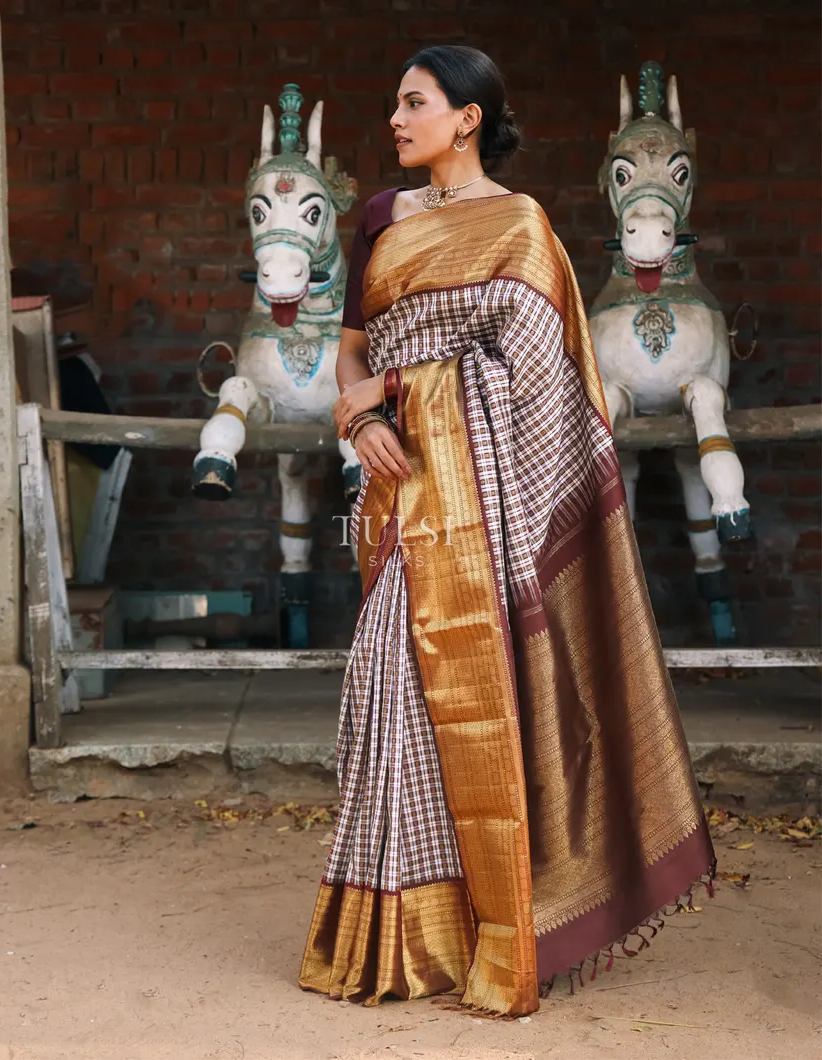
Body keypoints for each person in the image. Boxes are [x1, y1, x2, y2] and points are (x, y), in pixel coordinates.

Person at [298, 45, 715, 1017]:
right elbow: (351, 349)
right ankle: (404, 936)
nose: (395, 119)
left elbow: (540, 387)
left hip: (488, 506)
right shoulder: (378, 220)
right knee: (389, 692)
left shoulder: (520, 231)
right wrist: (359, 415)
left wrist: (420, 395)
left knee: (488, 710)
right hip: (401, 502)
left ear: (467, 116)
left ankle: (504, 926)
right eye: (396, 103)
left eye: (414, 102)